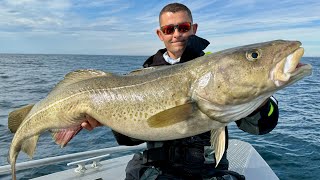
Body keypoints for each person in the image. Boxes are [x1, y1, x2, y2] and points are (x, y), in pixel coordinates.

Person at [82, 3, 279, 180]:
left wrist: (260, 99)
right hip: (159, 171)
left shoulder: (220, 68)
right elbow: (130, 138)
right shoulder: (142, 75)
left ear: (194, 29)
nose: (176, 34)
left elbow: (261, 127)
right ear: (161, 34)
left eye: (183, 27)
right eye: (169, 29)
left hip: (207, 171)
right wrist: (106, 118)